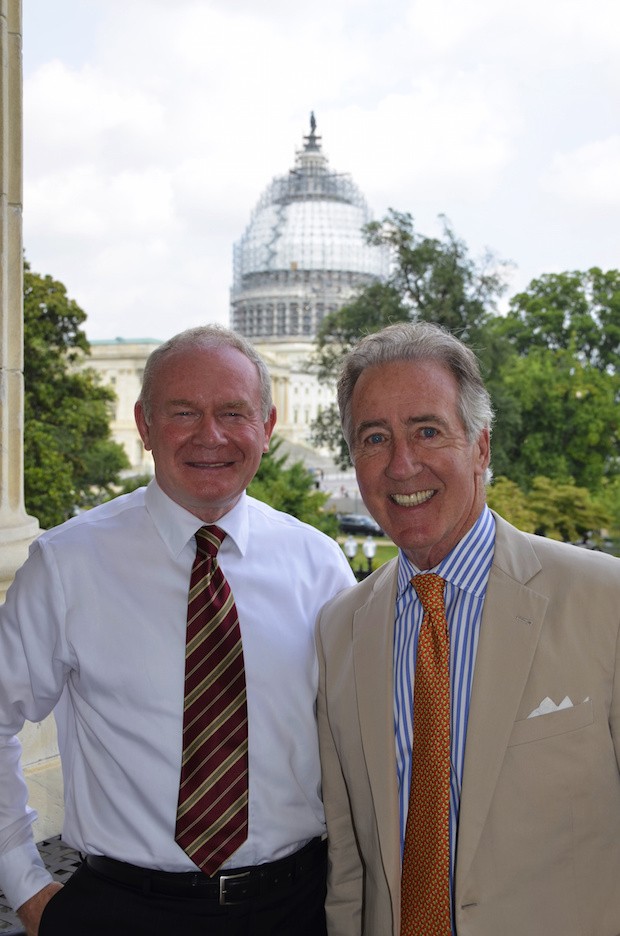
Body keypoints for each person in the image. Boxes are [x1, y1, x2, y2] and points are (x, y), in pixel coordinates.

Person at [0, 324, 355, 936]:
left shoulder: (318, 565)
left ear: (268, 428)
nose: (210, 436)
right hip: (120, 910)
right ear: (143, 425)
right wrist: (23, 881)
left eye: (234, 413)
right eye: (183, 412)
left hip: (294, 908)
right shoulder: (67, 565)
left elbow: (360, 743)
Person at [316, 321, 620, 936]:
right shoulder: (340, 629)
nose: (402, 465)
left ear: (481, 446)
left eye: (427, 431)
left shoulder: (605, 601)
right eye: (375, 438)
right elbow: (350, 862)